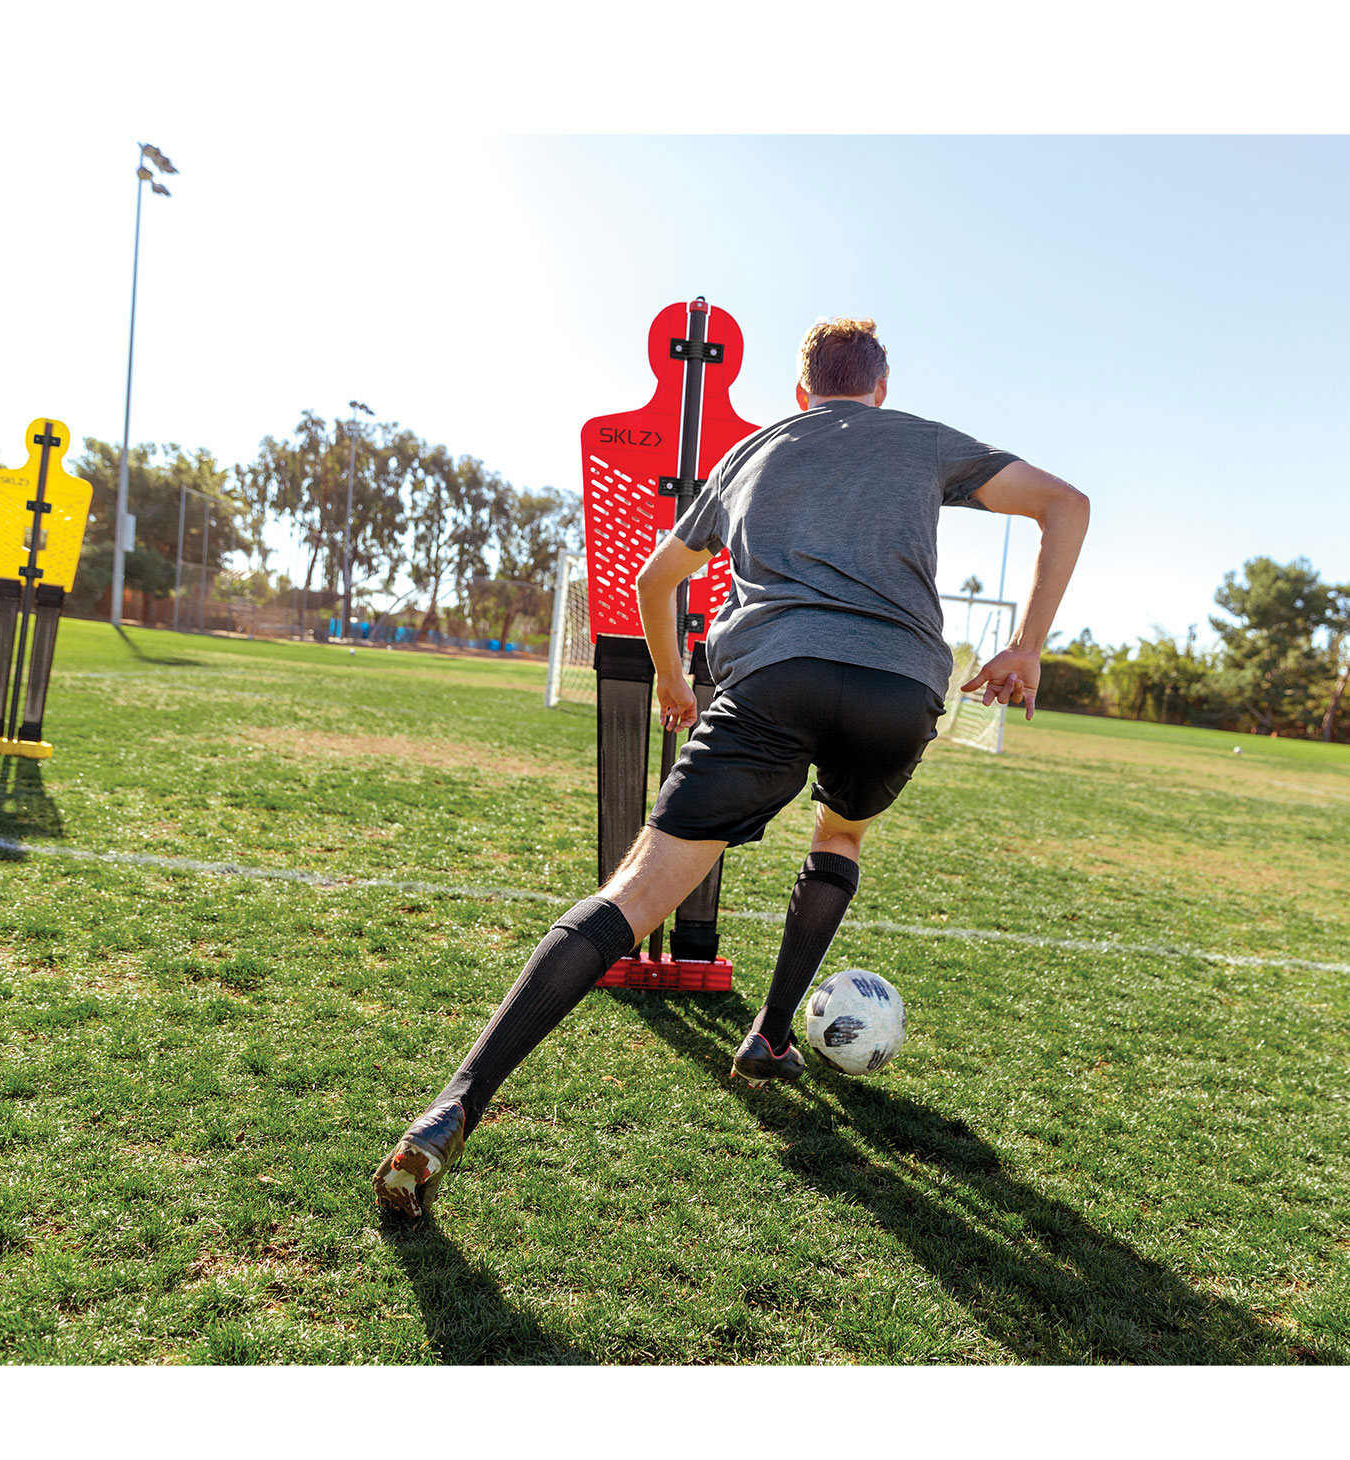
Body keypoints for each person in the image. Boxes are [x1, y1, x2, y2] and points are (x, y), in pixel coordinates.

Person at [373, 316, 1089, 1217]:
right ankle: (770, 1035)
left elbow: (652, 581)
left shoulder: (752, 452)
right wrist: (1026, 646)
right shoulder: (923, 442)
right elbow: (1068, 503)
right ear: (879, 387)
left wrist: (675, 680)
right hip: (899, 691)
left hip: (775, 677)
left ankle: (453, 1105)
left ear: (801, 391)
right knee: (841, 832)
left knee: (634, 895)